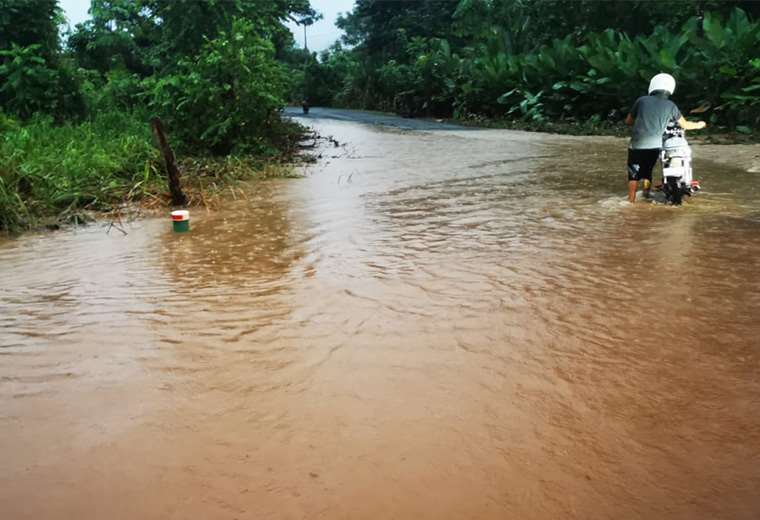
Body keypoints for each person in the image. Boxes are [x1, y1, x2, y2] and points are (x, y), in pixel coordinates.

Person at [625, 73, 706, 203]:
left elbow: (628, 121)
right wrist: (699, 124)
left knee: (633, 175)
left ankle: (631, 200)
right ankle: (646, 195)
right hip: (655, 146)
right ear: (670, 90)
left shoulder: (641, 100)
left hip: (636, 144)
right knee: (647, 171)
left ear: (652, 87)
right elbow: (684, 125)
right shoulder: (671, 105)